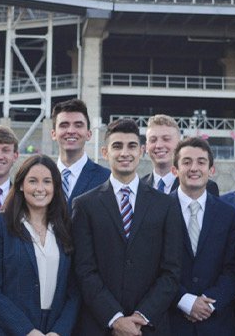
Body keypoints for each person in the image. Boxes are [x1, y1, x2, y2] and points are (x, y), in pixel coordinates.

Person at [72, 118, 184, 336]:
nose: (125, 153)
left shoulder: (166, 205)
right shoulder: (85, 205)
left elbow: (171, 271)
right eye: (117, 146)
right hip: (100, 325)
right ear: (105, 152)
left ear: (141, 151)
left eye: (132, 146)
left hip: (149, 326)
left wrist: (142, 316)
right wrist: (114, 318)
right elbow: (85, 270)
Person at [0, 155, 80, 336]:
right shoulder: (0, 224)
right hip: (7, 330)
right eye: (33, 181)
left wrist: (59, 331)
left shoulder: (66, 227)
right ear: (20, 185)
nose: (40, 188)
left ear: (55, 187)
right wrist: (26, 331)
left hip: (53, 330)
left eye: (47, 182)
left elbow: (74, 290)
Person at [167, 137, 235, 335]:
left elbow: (233, 269)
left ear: (211, 170)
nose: (194, 168)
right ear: (175, 170)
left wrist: (208, 304)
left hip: (216, 322)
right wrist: (186, 301)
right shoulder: (158, 210)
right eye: (186, 162)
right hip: (172, 322)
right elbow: (153, 267)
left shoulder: (229, 214)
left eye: (201, 162)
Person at [141, 114, 220, 197]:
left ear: (179, 144)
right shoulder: (139, 188)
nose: (159, 145)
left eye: (166, 139)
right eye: (153, 140)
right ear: (146, 146)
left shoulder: (206, 187)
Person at [50, 99, 111, 204]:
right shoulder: (45, 177)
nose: (71, 131)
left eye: (78, 125)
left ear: (88, 134)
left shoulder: (107, 179)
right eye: (64, 125)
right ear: (53, 134)